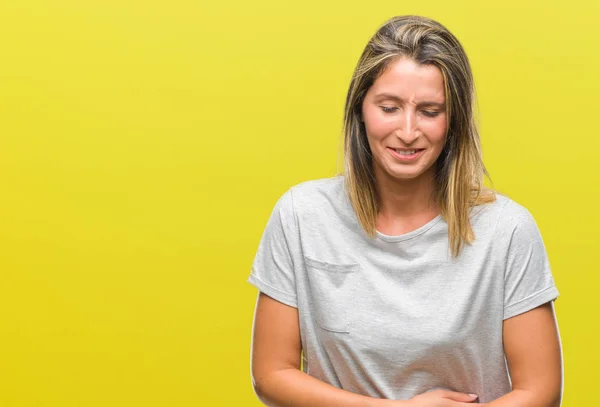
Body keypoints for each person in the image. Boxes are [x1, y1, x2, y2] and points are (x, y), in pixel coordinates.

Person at [247, 15, 563, 407]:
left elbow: (541, 391)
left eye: (430, 111)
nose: (409, 131)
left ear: (454, 121)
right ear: (360, 109)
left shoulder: (508, 230)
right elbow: (271, 374)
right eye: (390, 107)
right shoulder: (300, 215)